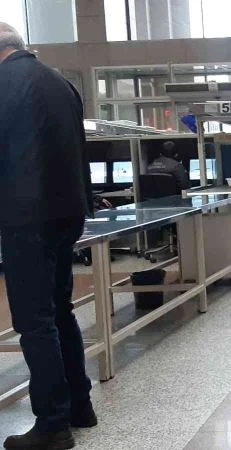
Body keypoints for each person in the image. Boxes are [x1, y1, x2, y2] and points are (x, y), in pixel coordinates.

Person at [0, 23, 97, 449]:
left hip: (25, 216)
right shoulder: (61, 83)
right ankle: (80, 405)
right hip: (68, 212)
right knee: (60, 310)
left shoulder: (4, 84)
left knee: (34, 321)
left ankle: (53, 424)